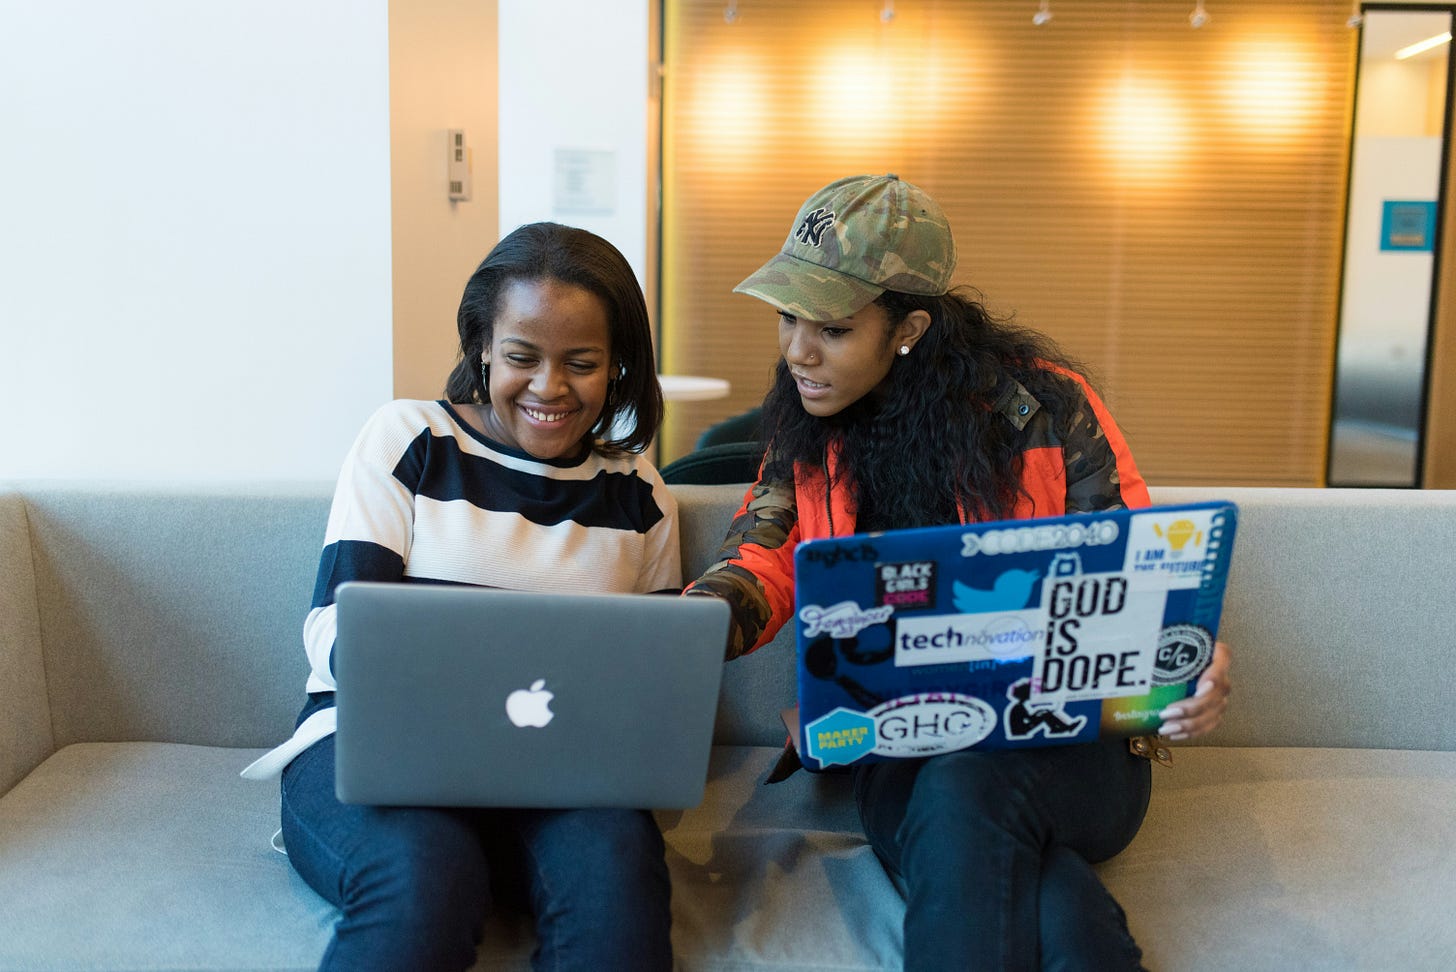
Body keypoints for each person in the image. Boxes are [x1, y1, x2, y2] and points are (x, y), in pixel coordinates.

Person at [683, 175, 1232, 971]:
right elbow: (763, 554)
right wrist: (693, 622)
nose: (799, 349)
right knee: (1048, 898)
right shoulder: (807, 420)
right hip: (901, 744)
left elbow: (1135, 568)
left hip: (1069, 748)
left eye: (831, 327)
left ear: (908, 327)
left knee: (964, 788)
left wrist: (1190, 658)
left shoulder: (1044, 409)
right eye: (788, 316)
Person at [241, 222, 681, 971]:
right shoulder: (409, 438)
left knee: (618, 896)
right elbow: (330, 629)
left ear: (617, 368)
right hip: (372, 755)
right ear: (482, 347)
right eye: (521, 357)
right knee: (422, 880)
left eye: (581, 362)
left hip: (565, 779)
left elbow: (659, 678)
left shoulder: (638, 492)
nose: (549, 386)